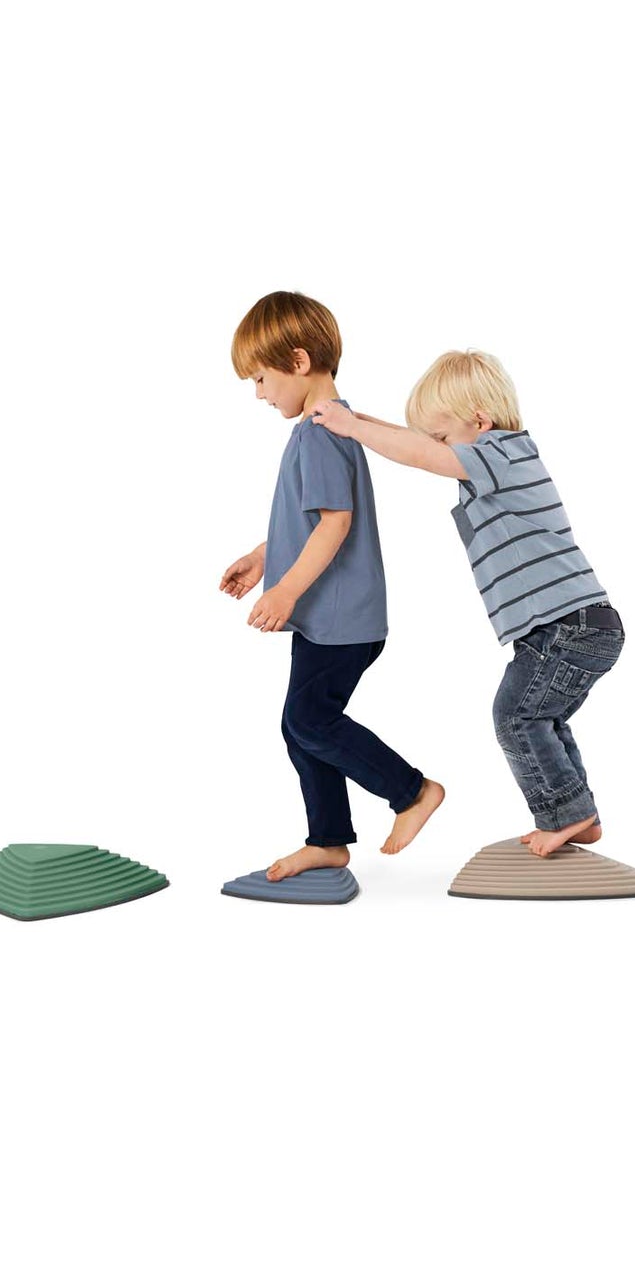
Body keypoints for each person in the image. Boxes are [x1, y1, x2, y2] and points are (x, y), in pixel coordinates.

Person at [311, 350, 622, 857]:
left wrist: (353, 428)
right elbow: (416, 443)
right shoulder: (492, 459)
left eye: (442, 437)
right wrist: (355, 418)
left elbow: (419, 455)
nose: (436, 448)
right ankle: (578, 815)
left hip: (571, 625)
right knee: (541, 718)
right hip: (568, 627)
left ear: (480, 421)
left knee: (516, 717)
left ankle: (569, 815)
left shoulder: (504, 453)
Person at [220, 291, 445, 882]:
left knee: (310, 721)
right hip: (327, 618)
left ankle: (412, 791)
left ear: (298, 361)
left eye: (261, 378)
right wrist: (262, 558)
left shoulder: (321, 431)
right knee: (301, 723)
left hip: (339, 618)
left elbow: (335, 524)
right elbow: (308, 520)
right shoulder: (324, 426)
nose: (259, 393)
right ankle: (327, 840)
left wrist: (286, 591)